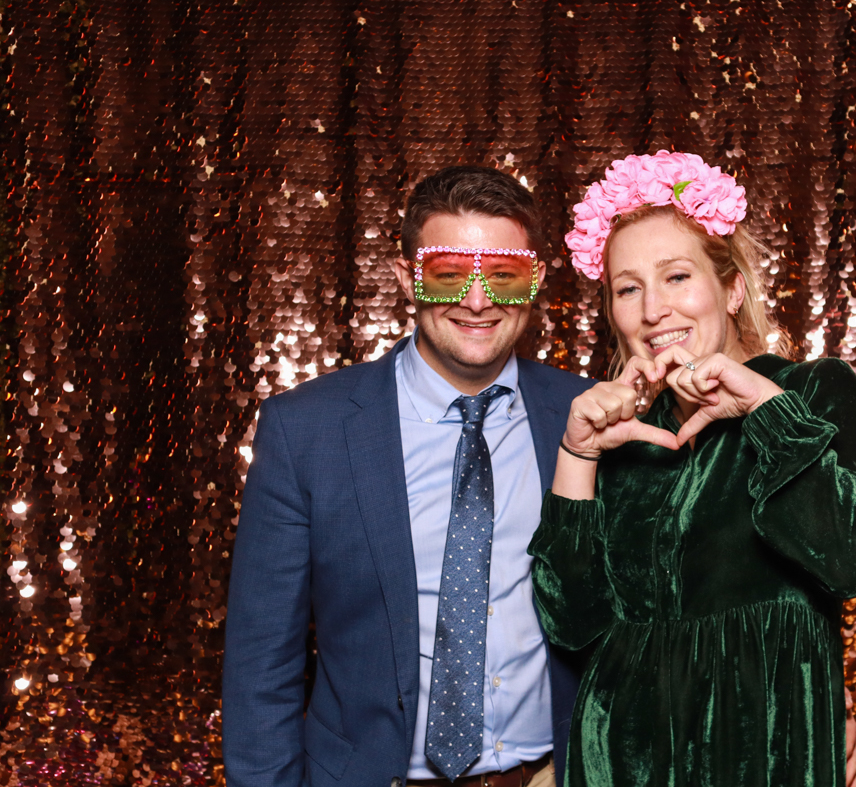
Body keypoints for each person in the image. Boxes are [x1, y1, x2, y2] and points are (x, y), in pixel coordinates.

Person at [529, 151, 856, 786]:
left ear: (730, 288)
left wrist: (764, 407)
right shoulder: (619, 432)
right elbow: (573, 625)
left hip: (763, 755)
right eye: (628, 288)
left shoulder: (811, 393)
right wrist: (578, 455)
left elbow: (855, 557)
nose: (653, 311)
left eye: (676, 277)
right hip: (621, 761)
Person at [223, 166, 591, 787]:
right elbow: (262, 664)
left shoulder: (585, 416)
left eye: (502, 276)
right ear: (405, 279)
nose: (477, 302)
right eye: (449, 275)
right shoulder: (306, 430)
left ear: (535, 283)